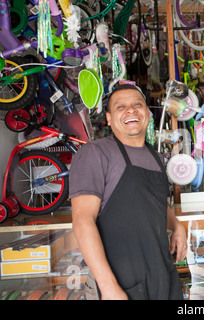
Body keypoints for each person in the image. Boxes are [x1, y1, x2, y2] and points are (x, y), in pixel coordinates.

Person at [70, 84, 187, 300]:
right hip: (120, 283)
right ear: (109, 118)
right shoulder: (95, 153)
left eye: (137, 105)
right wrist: (108, 286)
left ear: (148, 114)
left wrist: (176, 225)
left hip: (162, 276)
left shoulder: (156, 157)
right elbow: (82, 221)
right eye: (121, 107)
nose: (131, 110)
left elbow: (153, 203)